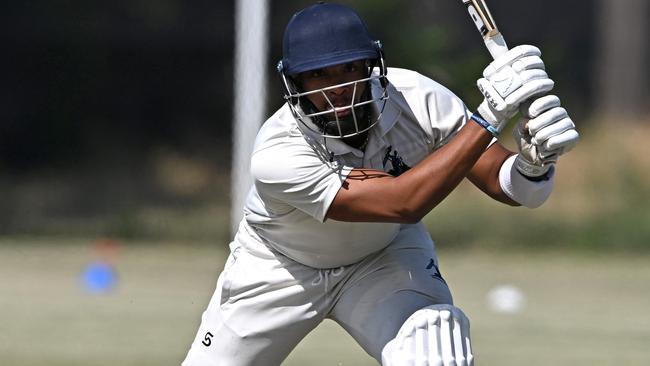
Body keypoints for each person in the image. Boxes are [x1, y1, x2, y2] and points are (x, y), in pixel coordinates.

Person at [182, 3, 579, 366]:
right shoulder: (277, 152)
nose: (336, 87)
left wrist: (532, 164)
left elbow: (510, 187)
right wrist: (490, 114)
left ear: (371, 65)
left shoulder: (415, 98)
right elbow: (402, 203)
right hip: (280, 267)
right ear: (295, 82)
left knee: (435, 349)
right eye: (318, 74)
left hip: (383, 257)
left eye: (348, 68)